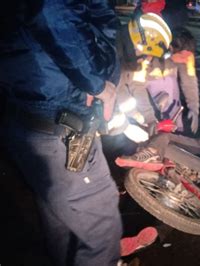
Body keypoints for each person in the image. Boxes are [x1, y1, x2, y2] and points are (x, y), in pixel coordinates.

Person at [0, 0, 123, 265]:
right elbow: (51, 12)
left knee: (59, 214)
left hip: (28, 116)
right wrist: (99, 84)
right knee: (101, 228)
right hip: (61, 122)